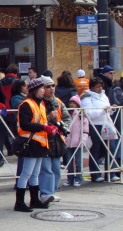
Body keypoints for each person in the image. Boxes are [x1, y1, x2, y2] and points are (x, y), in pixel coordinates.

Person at [13, 78, 57, 212]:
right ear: (35, 90)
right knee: (26, 173)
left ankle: (34, 200)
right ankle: (19, 202)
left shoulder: (40, 104)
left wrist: (48, 127)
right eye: (42, 88)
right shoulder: (26, 104)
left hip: (39, 142)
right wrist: (44, 127)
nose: (44, 91)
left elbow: (40, 121)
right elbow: (25, 124)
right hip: (30, 142)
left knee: (35, 173)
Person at [38, 76, 69, 203]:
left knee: (56, 169)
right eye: (48, 86)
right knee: (46, 169)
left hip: (57, 140)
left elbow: (67, 118)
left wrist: (63, 126)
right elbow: (37, 121)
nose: (51, 89)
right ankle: (45, 193)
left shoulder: (59, 102)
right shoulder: (38, 102)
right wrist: (49, 118)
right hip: (44, 139)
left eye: (53, 86)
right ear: (42, 89)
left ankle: (52, 192)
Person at [81, 77, 112, 182]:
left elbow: (107, 108)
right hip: (94, 125)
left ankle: (110, 173)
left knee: (108, 148)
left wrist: (110, 110)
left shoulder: (104, 96)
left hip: (105, 124)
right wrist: (102, 111)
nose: (99, 88)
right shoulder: (87, 97)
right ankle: (95, 174)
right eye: (97, 86)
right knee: (96, 149)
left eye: (100, 86)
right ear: (92, 87)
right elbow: (88, 113)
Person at [63, 95, 88, 187]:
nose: (71, 104)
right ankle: (70, 178)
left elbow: (85, 128)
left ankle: (78, 178)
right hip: (68, 141)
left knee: (78, 161)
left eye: (74, 103)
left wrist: (83, 140)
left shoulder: (81, 115)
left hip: (78, 141)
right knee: (69, 161)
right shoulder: (66, 114)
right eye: (70, 103)